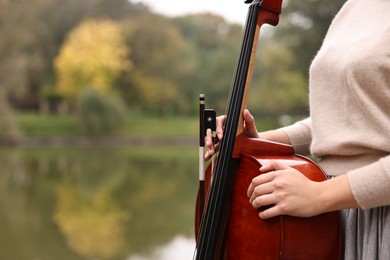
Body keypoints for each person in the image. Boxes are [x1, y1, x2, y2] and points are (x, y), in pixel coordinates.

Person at [205, 0, 390, 259]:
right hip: (332, 219)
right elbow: (345, 118)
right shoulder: (356, 6)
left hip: (377, 213)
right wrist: (249, 142)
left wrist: (318, 194)